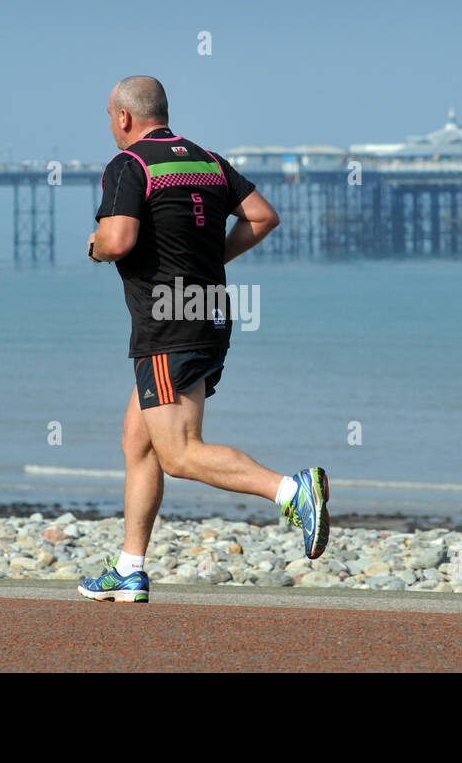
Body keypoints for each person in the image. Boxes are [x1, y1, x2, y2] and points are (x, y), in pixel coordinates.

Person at [79, 75, 329, 603]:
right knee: (138, 440)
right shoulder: (207, 161)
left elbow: (119, 239)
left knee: (179, 452)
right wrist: (211, 258)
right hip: (209, 315)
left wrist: (96, 247)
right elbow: (263, 217)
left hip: (168, 324)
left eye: (108, 115)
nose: (108, 125)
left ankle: (290, 491)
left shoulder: (130, 165)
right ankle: (128, 568)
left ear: (125, 117)